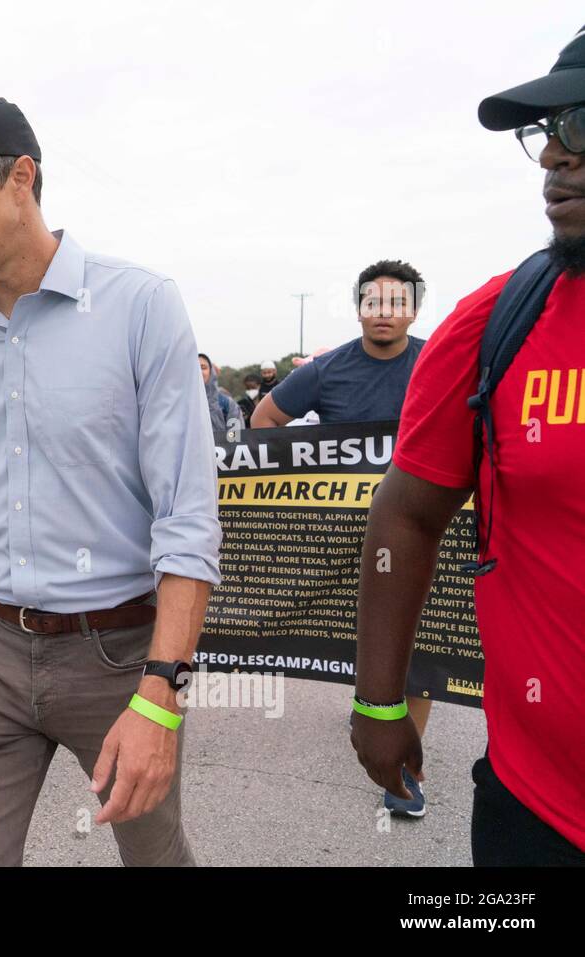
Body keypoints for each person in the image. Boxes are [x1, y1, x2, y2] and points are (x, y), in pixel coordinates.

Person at [0, 93, 221, 866]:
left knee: (156, 856)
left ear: (21, 178)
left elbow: (188, 518)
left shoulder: (140, 305)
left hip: (117, 652)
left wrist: (160, 689)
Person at [352, 29, 585, 864]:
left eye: (581, 121)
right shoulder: (494, 323)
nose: (555, 154)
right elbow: (407, 513)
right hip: (538, 812)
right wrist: (380, 703)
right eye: (549, 129)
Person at [251, 259, 433, 815]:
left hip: (424, 529)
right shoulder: (327, 370)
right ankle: (373, 708)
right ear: (359, 308)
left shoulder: (439, 361)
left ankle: (405, 768)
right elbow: (264, 423)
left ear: (414, 309)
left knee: (421, 644)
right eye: (374, 302)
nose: (386, 313)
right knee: (368, 639)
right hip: (348, 536)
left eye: (397, 302)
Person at [198, 352, 243, 436]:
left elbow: (236, 437)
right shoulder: (180, 404)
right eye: (195, 367)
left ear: (211, 372)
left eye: (203, 367)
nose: (199, 371)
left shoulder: (227, 403)